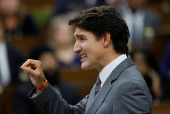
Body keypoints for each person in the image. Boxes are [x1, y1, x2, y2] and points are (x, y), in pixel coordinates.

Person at [21, 6, 152, 114]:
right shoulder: (107, 78)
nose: (75, 48)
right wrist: (41, 84)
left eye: (82, 39)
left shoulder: (129, 85)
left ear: (105, 39)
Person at [13, 45, 79, 114]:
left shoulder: (70, 90)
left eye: (53, 59)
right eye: (45, 60)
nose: (50, 64)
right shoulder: (24, 93)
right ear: (34, 66)